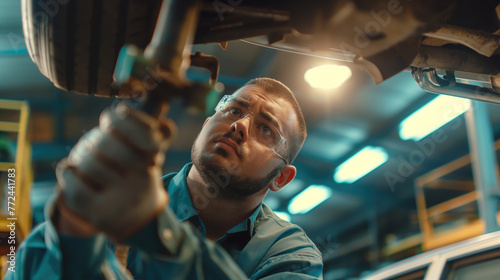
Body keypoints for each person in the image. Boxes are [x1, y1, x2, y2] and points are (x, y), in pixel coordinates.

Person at [6, 78, 323, 279]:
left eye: (265, 129)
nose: (240, 125)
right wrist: (74, 227)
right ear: (206, 123)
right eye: (234, 110)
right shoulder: (113, 199)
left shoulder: (290, 256)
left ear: (281, 178)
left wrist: (154, 227)